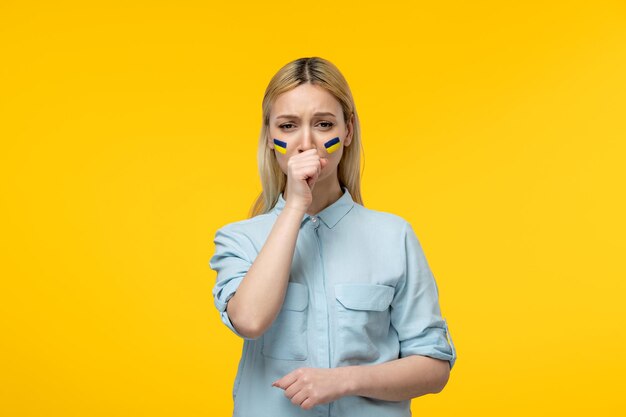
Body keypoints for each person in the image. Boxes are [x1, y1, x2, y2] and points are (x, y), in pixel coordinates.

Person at [209, 56, 457, 417]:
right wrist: (295, 206)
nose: (306, 143)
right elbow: (249, 320)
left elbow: (434, 368)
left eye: (324, 124)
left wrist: (344, 380)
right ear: (269, 136)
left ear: (348, 131)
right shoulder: (238, 240)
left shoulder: (394, 236)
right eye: (289, 125)